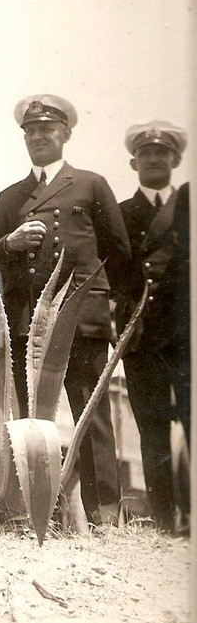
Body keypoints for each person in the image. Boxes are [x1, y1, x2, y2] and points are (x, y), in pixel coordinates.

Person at [0, 94, 131, 527]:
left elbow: (118, 254)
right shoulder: (10, 196)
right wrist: (8, 245)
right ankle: (33, 514)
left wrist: (105, 309)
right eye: (30, 131)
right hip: (29, 326)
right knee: (32, 423)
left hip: (80, 320)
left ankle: (105, 515)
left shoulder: (90, 184)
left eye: (46, 130)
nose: (37, 137)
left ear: (65, 135)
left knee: (92, 416)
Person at [117, 121, 190, 533]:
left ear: (175, 160)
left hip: (186, 335)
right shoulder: (121, 213)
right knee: (153, 428)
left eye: (161, 153)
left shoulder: (188, 207)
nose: (154, 159)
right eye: (146, 154)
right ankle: (165, 519)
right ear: (134, 162)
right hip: (143, 336)